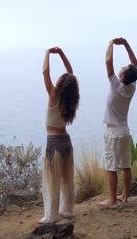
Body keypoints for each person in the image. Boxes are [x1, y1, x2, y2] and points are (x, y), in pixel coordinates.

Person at [39, 47, 80, 223]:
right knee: (66, 178)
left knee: (52, 181)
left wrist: (47, 53)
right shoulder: (69, 97)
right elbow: (71, 75)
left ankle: (51, 216)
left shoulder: (54, 95)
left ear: (61, 83)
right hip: (66, 142)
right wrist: (62, 54)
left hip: (54, 143)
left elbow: (44, 72)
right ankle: (67, 210)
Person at [99, 37, 137, 206]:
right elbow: (134, 64)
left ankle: (112, 199)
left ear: (121, 76)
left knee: (112, 167)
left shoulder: (116, 85)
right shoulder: (131, 87)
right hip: (125, 132)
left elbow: (108, 61)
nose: (121, 67)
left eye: (123, 68)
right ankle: (125, 196)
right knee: (126, 165)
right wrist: (126, 45)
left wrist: (111, 43)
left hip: (113, 132)